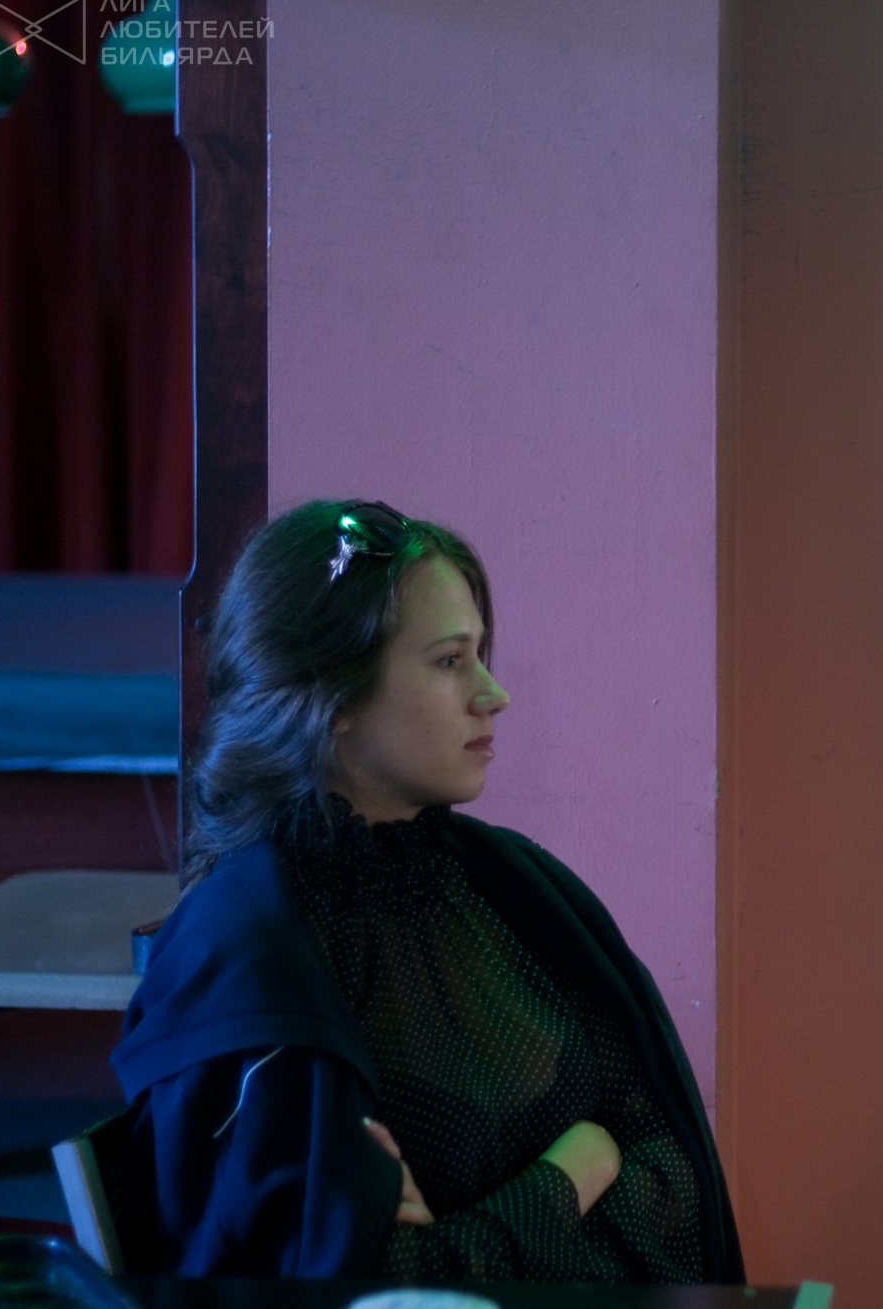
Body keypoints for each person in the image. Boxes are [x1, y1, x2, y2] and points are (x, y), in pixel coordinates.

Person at [108, 501, 743, 1282]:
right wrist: (579, 1163)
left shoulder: (511, 886)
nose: (493, 693)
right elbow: (373, 1292)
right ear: (334, 694)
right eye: (449, 661)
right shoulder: (249, 958)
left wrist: (476, 1233)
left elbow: (670, 1173)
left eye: (480, 654)